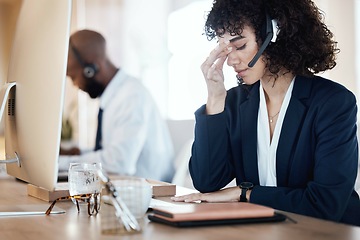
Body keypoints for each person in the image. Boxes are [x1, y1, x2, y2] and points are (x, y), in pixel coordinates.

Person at [172, 0, 360, 226]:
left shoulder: (332, 103)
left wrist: (246, 193)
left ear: (275, 35)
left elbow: (324, 204)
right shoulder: (234, 102)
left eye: (239, 46)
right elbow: (206, 180)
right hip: (264, 231)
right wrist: (215, 98)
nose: (231, 60)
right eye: (224, 48)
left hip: (328, 234)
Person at [59, 29, 174, 182]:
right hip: (127, 189)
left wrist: (59, 164)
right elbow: (111, 153)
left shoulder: (131, 96)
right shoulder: (115, 96)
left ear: (91, 69)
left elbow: (119, 162)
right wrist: (76, 153)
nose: (74, 84)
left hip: (149, 196)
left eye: (73, 76)